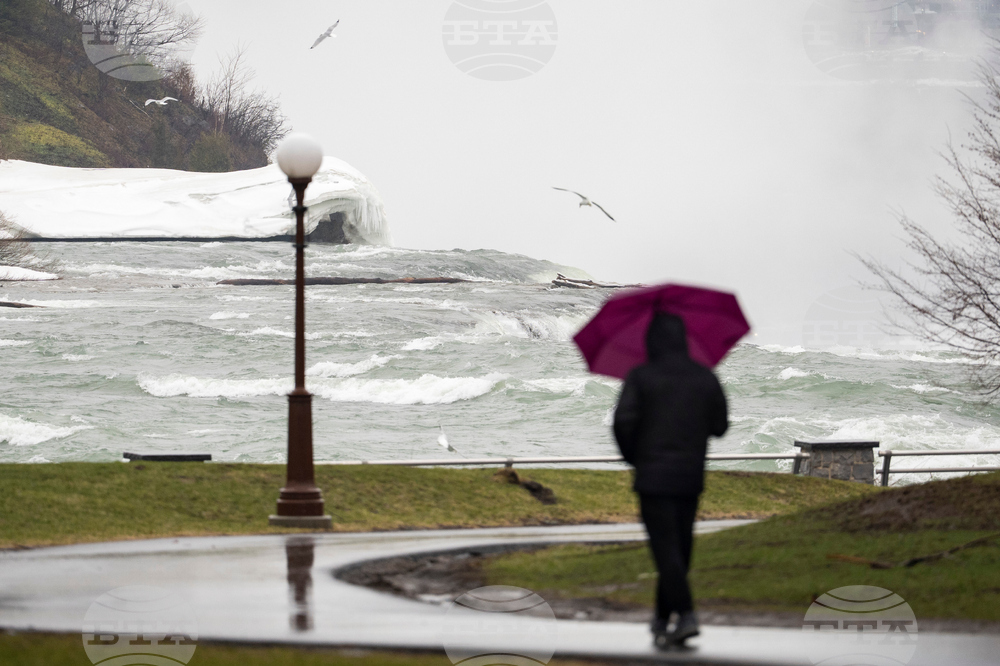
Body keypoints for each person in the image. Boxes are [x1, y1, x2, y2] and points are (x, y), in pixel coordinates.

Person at [612, 312, 728, 649]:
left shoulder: (641, 376)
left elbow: (622, 423)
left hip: (652, 478)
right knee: (679, 549)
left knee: (667, 550)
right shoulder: (704, 377)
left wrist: (634, 457)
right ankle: (663, 619)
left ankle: (686, 615)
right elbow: (720, 426)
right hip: (690, 476)